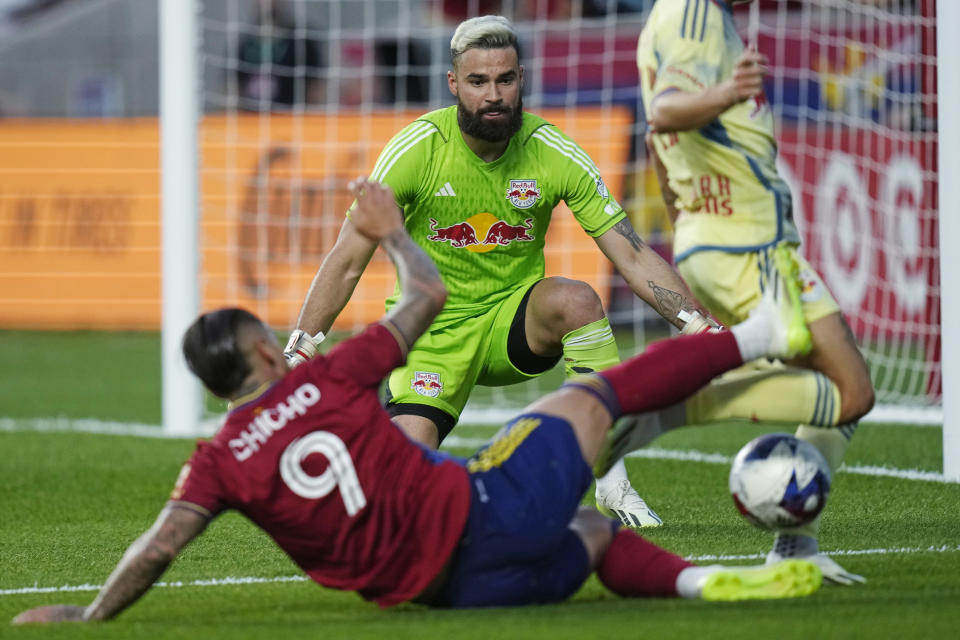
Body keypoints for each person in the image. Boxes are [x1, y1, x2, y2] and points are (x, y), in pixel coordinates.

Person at [12, 178, 822, 625]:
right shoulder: (328, 377)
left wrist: (89, 619)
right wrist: (394, 232)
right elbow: (426, 293)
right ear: (266, 352)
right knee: (591, 396)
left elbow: (157, 548)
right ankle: (765, 333)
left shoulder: (217, 462)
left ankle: (702, 588)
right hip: (481, 513)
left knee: (593, 535)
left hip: (442, 591)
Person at [284, 14, 716, 529]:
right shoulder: (417, 150)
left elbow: (630, 252)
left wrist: (701, 329)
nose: (494, 94)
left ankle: (611, 475)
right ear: (453, 84)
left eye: (505, 80)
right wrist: (299, 350)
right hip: (431, 333)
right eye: (478, 81)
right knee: (398, 493)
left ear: (520, 80)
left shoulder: (552, 150)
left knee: (577, 300)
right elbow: (349, 257)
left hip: (514, 323)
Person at [636, 0, 875, 584]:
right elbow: (666, 113)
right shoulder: (691, 14)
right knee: (848, 390)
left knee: (845, 390)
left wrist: (685, 227)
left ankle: (795, 543)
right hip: (746, 247)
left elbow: (653, 137)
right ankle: (654, 412)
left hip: (733, 241)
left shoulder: (691, 17)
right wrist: (727, 94)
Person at [236, 0, 325, 111]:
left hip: (290, 121)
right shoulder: (244, 43)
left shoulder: (302, 41)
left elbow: (316, 91)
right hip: (252, 122)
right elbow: (231, 88)